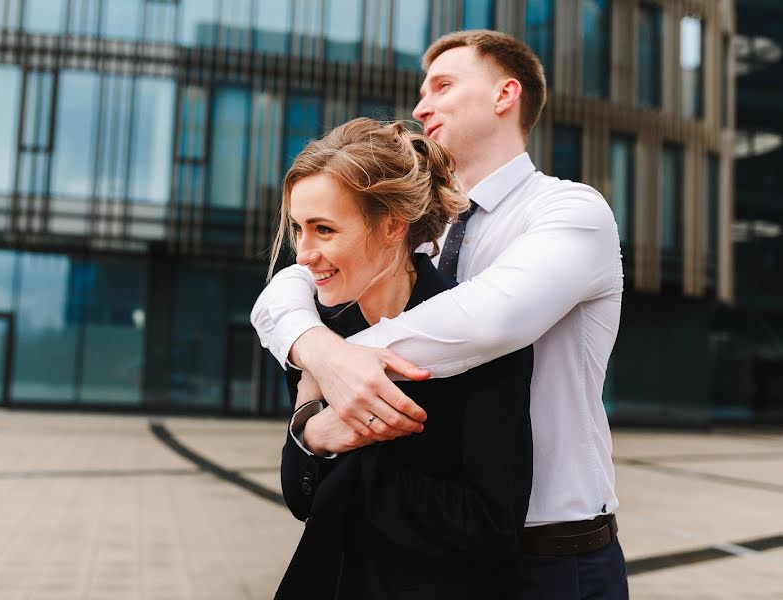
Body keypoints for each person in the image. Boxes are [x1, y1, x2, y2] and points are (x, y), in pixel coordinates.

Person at [252, 30, 629, 599]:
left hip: (553, 553)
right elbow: (288, 288)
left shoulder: (569, 211)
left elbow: (490, 321)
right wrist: (316, 348)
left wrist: (332, 371)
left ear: (506, 94)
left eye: (443, 86)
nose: (419, 106)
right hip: (430, 559)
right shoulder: (417, 236)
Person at [269, 117, 534, 599]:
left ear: (391, 226)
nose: (303, 254)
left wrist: (349, 448)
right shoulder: (321, 332)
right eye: (298, 230)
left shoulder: (480, 338)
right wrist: (313, 435)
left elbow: (492, 525)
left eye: (324, 229)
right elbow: (298, 493)